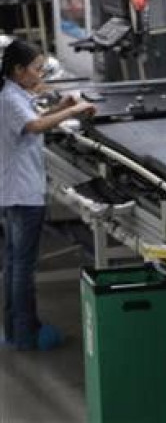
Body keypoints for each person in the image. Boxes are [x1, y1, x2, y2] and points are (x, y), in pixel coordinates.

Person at [1, 39, 96, 350]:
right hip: (22, 193)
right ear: (18, 70)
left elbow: (34, 117)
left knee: (14, 263)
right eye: (36, 69)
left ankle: (15, 329)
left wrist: (63, 108)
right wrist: (78, 109)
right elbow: (35, 125)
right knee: (22, 267)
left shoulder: (12, 92)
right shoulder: (9, 97)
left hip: (12, 191)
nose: (40, 75)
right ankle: (26, 334)